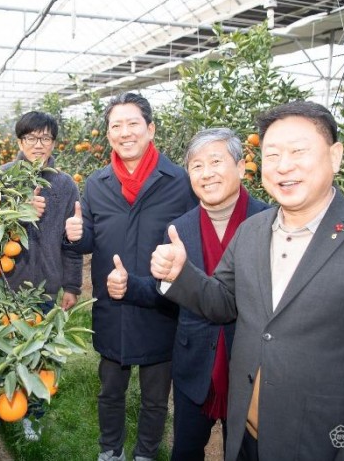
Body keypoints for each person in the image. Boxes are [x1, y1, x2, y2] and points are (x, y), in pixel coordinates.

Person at [151, 101, 344, 461]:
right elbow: (223, 302)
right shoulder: (252, 231)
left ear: (335, 156)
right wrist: (180, 275)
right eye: (272, 154)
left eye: (298, 151)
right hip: (245, 437)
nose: (284, 165)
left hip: (318, 444)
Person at [106, 128, 269, 460]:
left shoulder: (269, 222)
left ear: (241, 168)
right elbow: (163, 290)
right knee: (186, 450)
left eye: (215, 161)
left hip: (253, 368)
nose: (206, 173)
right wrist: (129, 285)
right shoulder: (178, 228)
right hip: (195, 364)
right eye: (196, 165)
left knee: (249, 452)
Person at [63, 92, 197, 461]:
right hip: (114, 305)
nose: (125, 132)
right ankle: (111, 451)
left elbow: (194, 244)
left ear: (150, 129)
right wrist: (75, 235)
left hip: (160, 306)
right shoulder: (97, 184)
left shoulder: (180, 183)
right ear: (108, 135)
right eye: (116, 126)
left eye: (133, 123)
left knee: (156, 397)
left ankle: (145, 453)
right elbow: (89, 239)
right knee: (110, 391)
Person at [0, 110, 83, 440]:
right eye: (32, 138)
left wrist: (73, 284)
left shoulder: (65, 186)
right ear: (19, 141)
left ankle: (32, 413)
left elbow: (71, 241)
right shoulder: (1, 179)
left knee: (40, 357)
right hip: (4, 284)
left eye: (46, 138)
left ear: (54, 142)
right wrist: (18, 211)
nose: (39, 145)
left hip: (46, 287)